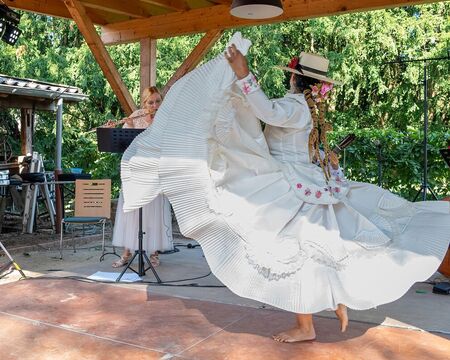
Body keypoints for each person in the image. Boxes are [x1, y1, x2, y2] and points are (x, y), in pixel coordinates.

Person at [120, 33, 450, 342]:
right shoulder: (309, 108)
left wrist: (243, 75)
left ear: (293, 77)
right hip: (300, 181)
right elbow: (290, 133)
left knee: (296, 251)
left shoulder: (294, 105)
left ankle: (312, 319)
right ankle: (332, 304)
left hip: (286, 184)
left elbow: (267, 111)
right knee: (310, 251)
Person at [110, 86, 173, 268]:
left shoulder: (165, 118)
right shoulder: (136, 115)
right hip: (135, 172)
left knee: (153, 214)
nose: (155, 105)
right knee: (132, 214)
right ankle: (127, 252)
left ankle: (153, 253)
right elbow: (123, 143)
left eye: (157, 101)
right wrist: (128, 124)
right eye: (150, 102)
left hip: (154, 172)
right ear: (144, 103)